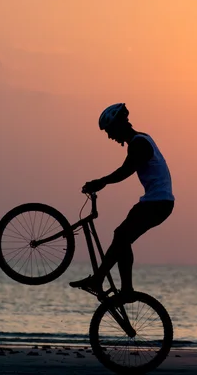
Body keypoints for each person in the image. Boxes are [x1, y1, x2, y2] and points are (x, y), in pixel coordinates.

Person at [69, 103, 174, 301]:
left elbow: (126, 170)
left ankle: (108, 283)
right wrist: (102, 182)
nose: (110, 136)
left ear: (119, 125)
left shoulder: (139, 143)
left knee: (122, 236)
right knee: (122, 238)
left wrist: (101, 182)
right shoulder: (140, 140)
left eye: (110, 131)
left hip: (158, 203)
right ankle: (114, 285)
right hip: (155, 202)